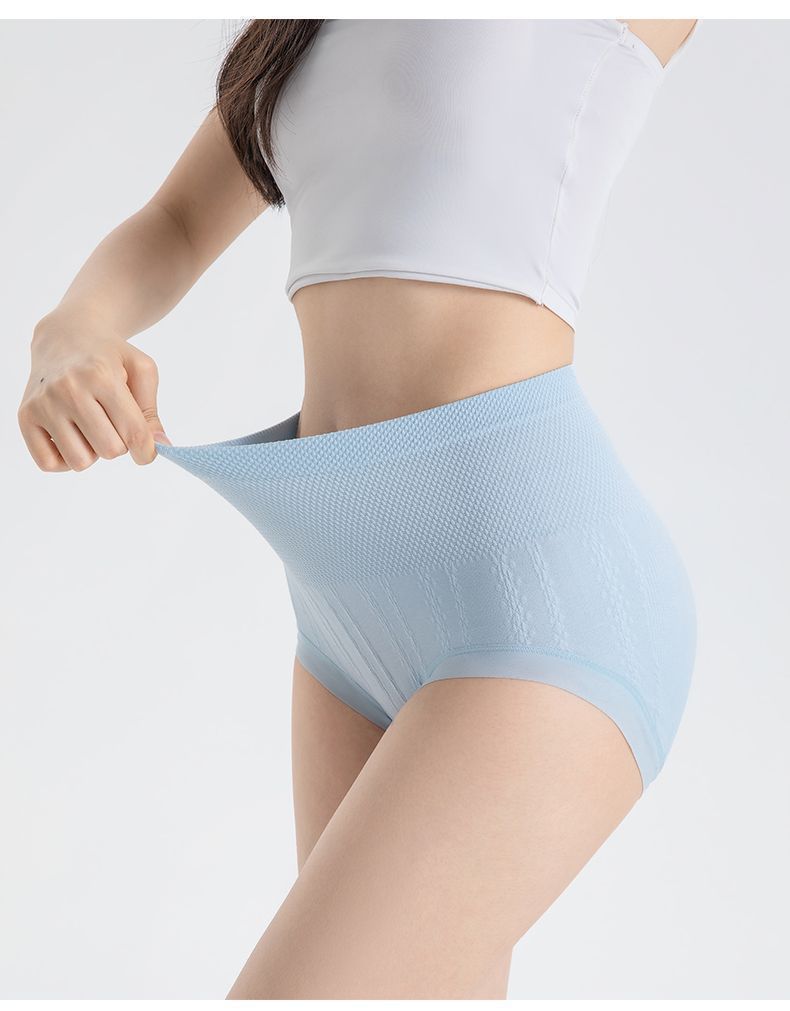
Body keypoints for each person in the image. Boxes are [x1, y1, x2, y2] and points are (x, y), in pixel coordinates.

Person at [17, 18, 701, 1000]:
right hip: (339, 626)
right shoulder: (305, 26)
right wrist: (71, 333)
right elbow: (174, 222)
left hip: (534, 598)